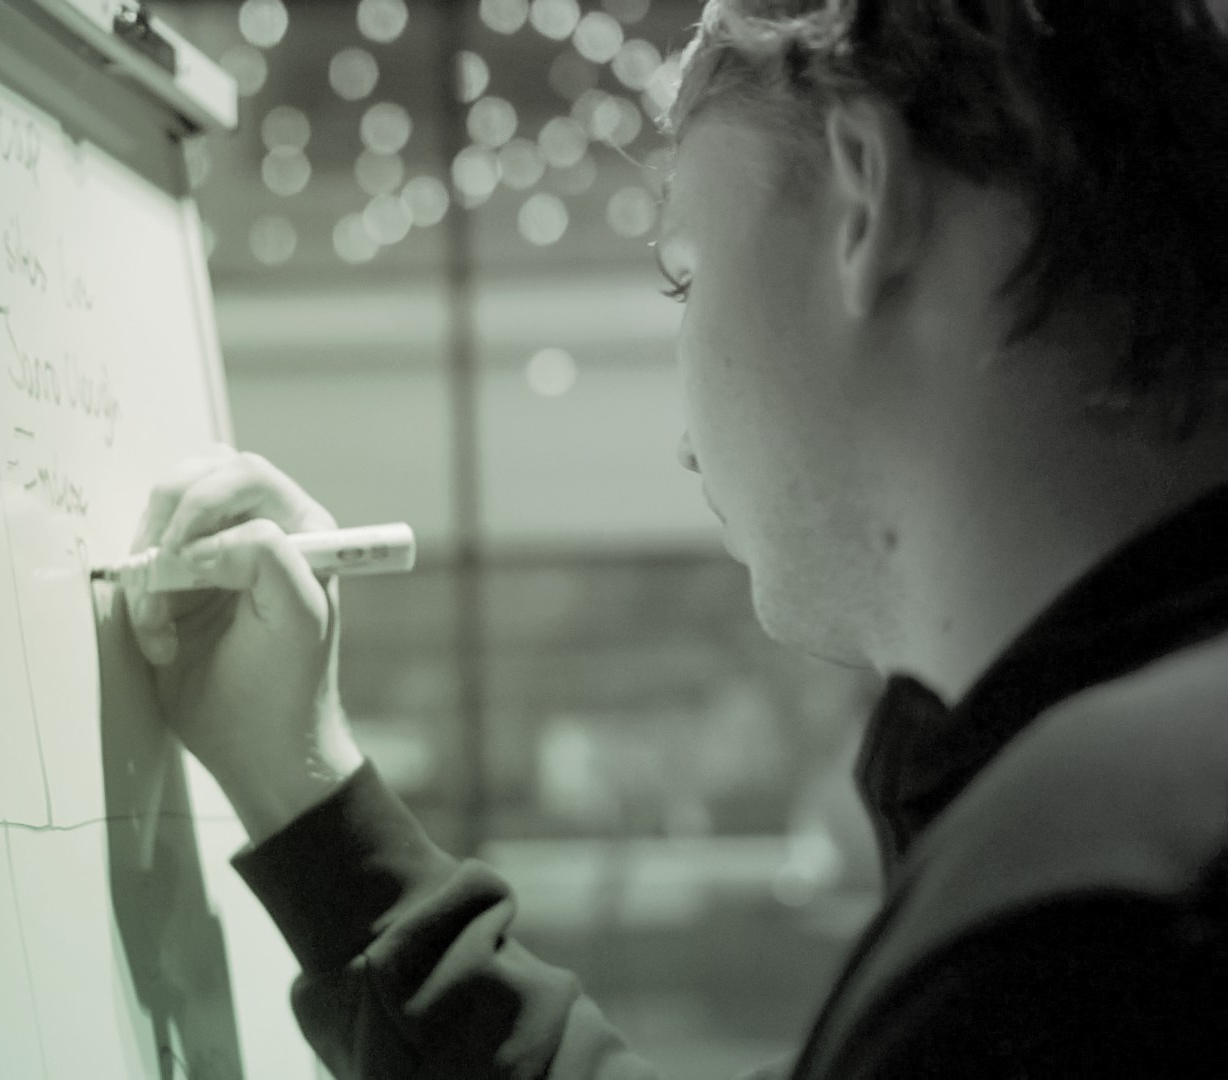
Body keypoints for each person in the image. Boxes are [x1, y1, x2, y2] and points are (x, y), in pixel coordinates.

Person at [121, 0, 1228, 1076]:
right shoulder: (1107, 834)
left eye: (684, 272)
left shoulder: (1080, 948)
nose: (685, 443)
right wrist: (310, 795)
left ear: (862, 199)